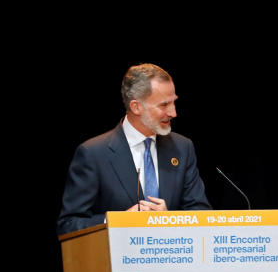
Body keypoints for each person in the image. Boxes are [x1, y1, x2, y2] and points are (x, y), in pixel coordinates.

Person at [57, 63, 210, 235]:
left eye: (173, 102)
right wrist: (118, 221)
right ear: (136, 107)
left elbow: (202, 214)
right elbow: (69, 224)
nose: (173, 112)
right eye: (164, 105)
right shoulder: (93, 154)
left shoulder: (182, 148)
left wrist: (170, 218)